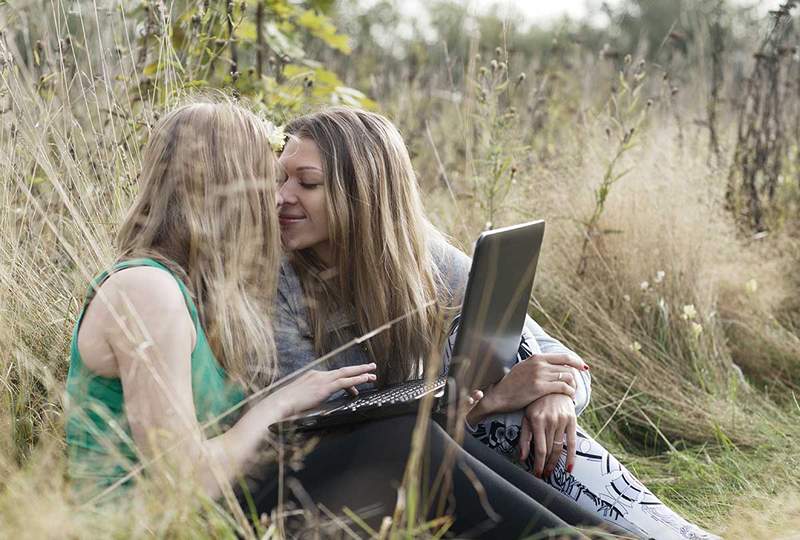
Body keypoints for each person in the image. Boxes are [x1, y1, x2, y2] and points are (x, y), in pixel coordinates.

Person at [64, 99, 612, 538]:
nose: (275, 199)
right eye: (266, 179)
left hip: (228, 503)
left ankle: (599, 533)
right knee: (395, 440)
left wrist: (510, 397)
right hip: (155, 523)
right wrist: (280, 402)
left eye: (297, 183)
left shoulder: (182, 289)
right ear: (222, 188)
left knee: (410, 436)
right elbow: (184, 482)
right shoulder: (146, 291)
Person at [274, 106, 720, 540]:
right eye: (281, 179)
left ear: (365, 194)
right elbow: (335, 432)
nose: (281, 197)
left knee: (521, 403)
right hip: (353, 481)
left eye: (306, 183)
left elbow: (560, 360)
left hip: (452, 447)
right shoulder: (283, 284)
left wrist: (556, 396)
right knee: (501, 411)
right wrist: (484, 405)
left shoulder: (425, 260)